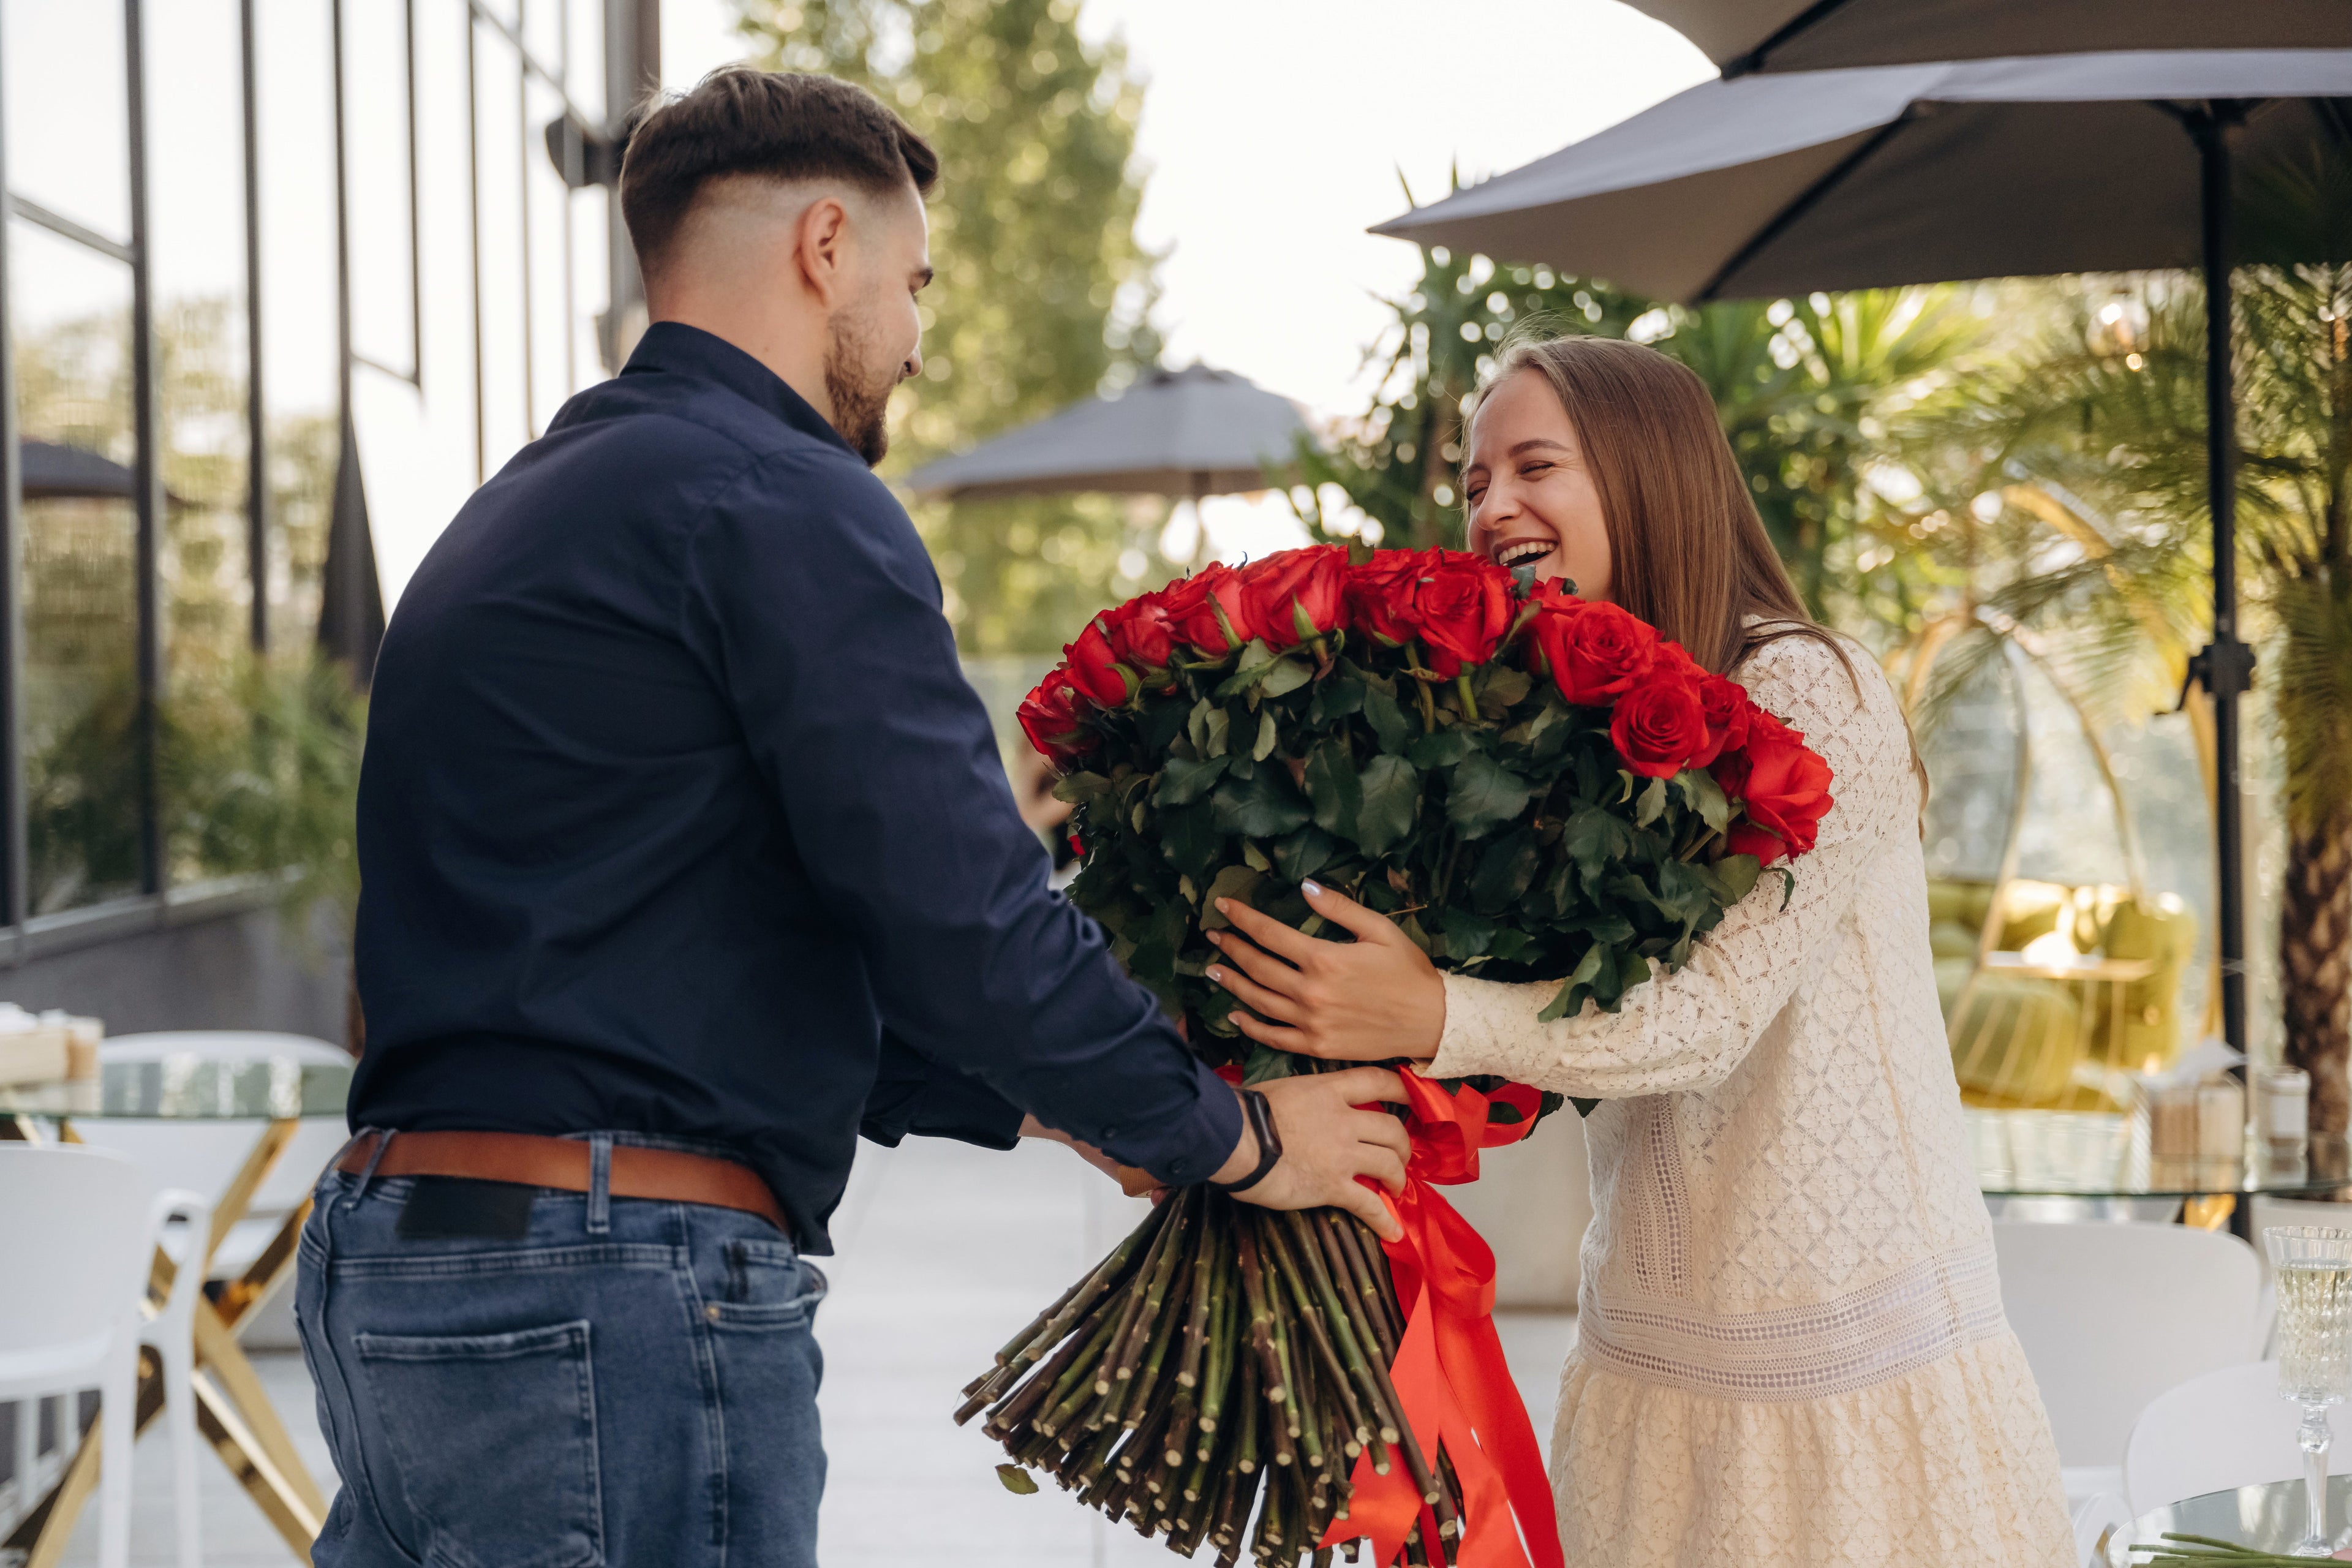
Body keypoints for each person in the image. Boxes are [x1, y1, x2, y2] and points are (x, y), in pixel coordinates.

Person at [295, 67, 1410, 1568]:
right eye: (913, 280)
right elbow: (960, 908)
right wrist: (1241, 1137)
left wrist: (1073, 1108)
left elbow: (688, 938)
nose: (917, 340)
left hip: (398, 1273)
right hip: (608, 1291)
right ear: (827, 244)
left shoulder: (523, 510)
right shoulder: (784, 495)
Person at [1194, 335, 2075, 1566]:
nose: (1492, 504)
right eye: (1473, 483)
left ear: (1647, 472)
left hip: (1849, 1384)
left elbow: (1703, 1016)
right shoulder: (1546, 742)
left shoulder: (1814, 690)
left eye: (1533, 466)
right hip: (1650, 1379)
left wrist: (1428, 1010)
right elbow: (1533, 1033)